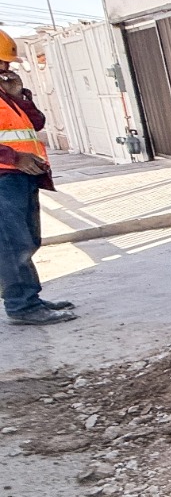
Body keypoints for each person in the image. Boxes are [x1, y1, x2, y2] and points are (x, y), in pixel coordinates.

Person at [0, 30, 75, 326]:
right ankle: (22, 306)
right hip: (5, 177)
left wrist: (19, 96)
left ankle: (30, 297)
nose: (7, 68)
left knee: (28, 240)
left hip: (23, 177)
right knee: (11, 243)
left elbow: (36, 123)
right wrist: (15, 157)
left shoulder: (6, 93)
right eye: (2, 62)